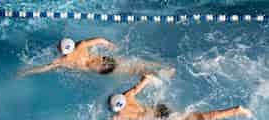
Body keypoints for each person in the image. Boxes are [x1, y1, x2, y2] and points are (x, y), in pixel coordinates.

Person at [95, 73, 252, 120]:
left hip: (160, 118)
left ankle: (236, 110)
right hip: (160, 109)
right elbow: (143, 81)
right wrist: (148, 77)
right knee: (194, 116)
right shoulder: (126, 95)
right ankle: (236, 110)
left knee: (200, 117)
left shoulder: (118, 117)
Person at [17, 37, 172, 77]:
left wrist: (26, 72)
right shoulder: (81, 45)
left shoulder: (63, 60)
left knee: (131, 70)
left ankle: (158, 73)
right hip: (102, 60)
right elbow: (99, 40)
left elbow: (45, 67)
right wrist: (110, 44)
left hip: (99, 67)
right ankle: (162, 68)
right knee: (132, 64)